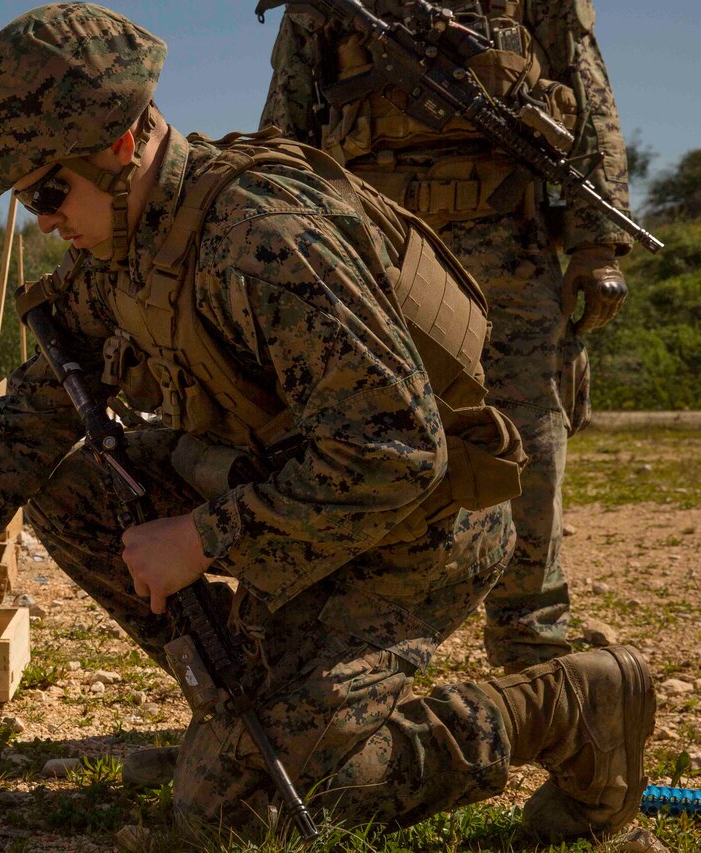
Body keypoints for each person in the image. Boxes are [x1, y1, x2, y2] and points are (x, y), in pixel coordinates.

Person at [0, 3, 653, 838]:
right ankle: (247, 711)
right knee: (75, 493)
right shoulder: (127, 241)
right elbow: (43, 394)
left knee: (232, 810)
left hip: (415, 531)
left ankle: (567, 704)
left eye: (47, 190)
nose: (43, 219)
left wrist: (205, 539)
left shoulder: (261, 241)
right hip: (300, 498)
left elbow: (398, 449)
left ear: (118, 145)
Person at [259, 0, 635, 673]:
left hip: (505, 246)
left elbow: (586, 91)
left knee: (530, 441)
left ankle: (534, 652)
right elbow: (288, 122)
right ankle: (352, 660)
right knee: (361, 440)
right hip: (374, 249)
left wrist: (596, 245)